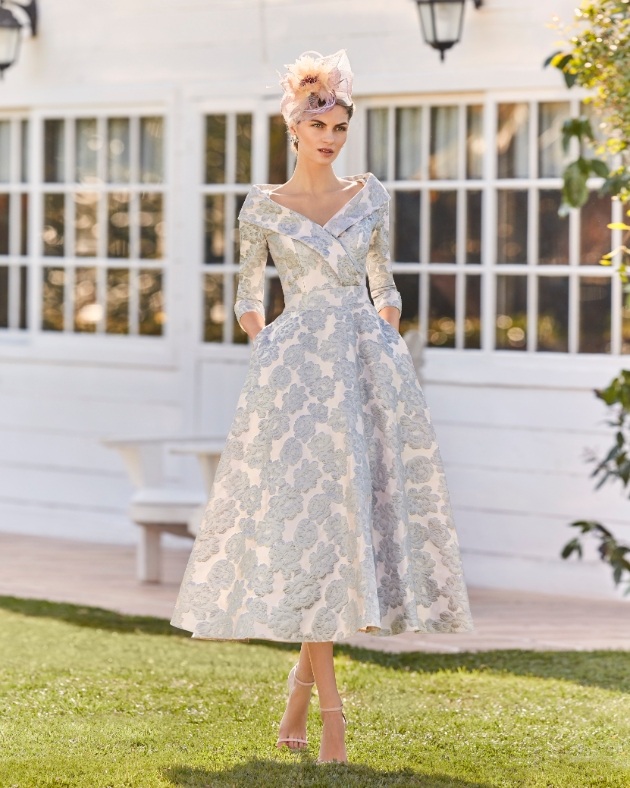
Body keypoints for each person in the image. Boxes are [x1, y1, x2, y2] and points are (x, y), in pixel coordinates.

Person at [171, 49, 474, 765]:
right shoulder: (263, 208)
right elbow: (248, 297)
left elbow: (383, 281)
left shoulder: (370, 194)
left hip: (365, 368)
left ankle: (304, 699)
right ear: (295, 128)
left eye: (342, 125)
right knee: (314, 531)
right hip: (296, 378)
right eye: (322, 126)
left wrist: (388, 324)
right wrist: (267, 341)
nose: (333, 138)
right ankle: (328, 712)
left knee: (347, 530)